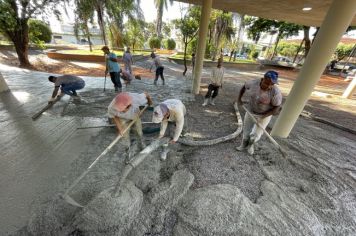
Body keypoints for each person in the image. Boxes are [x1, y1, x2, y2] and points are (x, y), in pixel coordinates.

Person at [236, 70, 282, 155]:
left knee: (256, 134)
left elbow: (277, 107)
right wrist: (239, 99)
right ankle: (243, 144)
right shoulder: (253, 83)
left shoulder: (275, 92)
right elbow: (244, 87)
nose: (269, 86)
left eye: (272, 84)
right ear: (263, 79)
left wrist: (263, 116)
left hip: (265, 114)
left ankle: (251, 145)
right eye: (267, 83)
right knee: (246, 129)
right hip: (250, 110)